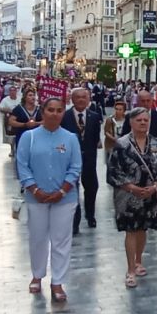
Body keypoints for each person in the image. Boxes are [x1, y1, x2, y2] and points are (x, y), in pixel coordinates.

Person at [16, 97, 81, 302]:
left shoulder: (70, 138)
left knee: (61, 240)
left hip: (65, 197)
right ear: (42, 112)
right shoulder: (30, 137)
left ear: (63, 113)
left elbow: (75, 167)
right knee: (38, 238)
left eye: (59, 110)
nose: (54, 113)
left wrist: (62, 191)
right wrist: (35, 189)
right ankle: (37, 275)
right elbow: (22, 165)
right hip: (36, 198)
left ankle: (58, 282)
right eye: (50, 110)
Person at [107, 107, 157, 288]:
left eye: (145, 120)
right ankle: (130, 269)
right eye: (139, 120)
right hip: (127, 194)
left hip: (150, 192)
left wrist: (156, 186)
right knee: (131, 230)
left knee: (143, 228)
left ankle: (138, 260)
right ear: (131, 122)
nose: (143, 123)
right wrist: (132, 187)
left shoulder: (156, 143)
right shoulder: (122, 144)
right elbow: (114, 171)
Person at [61, 87, 102, 231]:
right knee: (73, 189)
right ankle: (75, 220)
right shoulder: (64, 117)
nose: (81, 100)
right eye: (77, 97)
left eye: (84, 97)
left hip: (89, 159)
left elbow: (95, 138)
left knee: (92, 188)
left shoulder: (94, 116)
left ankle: (90, 215)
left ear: (88, 99)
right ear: (72, 99)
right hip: (70, 160)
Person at [0, 86, 21, 157]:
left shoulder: (20, 99)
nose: (12, 92)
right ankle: (12, 150)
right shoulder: (5, 100)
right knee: (11, 136)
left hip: (20, 119)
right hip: (9, 119)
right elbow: (0, 108)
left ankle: (19, 149)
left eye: (14, 91)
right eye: (11, 91)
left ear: (16, 91)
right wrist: (7, 110)